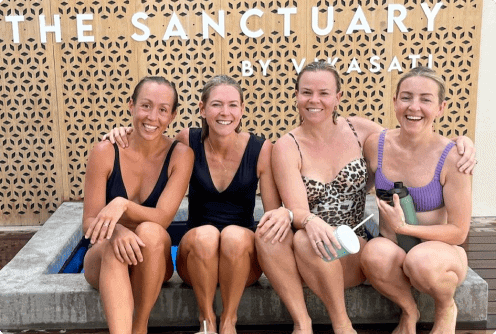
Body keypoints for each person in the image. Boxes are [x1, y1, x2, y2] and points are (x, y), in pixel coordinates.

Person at [255, 61, 476, 334]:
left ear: (338, 97)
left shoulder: (362, 133)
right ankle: (305, 324)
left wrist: (463, 141)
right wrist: (296, 216)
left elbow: (414, 136)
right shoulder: (290, 145)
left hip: (366, 244)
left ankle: (350, 324)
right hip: (318, 240)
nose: (314, 100)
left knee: (312, 241)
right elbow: (299, 209)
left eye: (324, 92)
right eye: (306, 92)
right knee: (291, 237)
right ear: (297, 96)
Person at [103, 75, 290, 334]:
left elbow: (270, 218)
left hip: (242, 263)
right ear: (202, 109)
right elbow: (153, 144)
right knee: (206, 235)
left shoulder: (261, 149)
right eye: (216, 104)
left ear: (242, 110)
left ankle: (228, 321)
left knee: (235, 236)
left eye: (233, 105)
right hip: (195, 257)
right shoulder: (186, 141)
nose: (225, 112)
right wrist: (123, 131)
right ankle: (206, 321)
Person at [360, 66, 472, 334]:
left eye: (426, 99)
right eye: (407, 97)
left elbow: (459, 232)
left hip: (439, 253)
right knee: (373, 253)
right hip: (393, 248)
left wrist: (405, 229)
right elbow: (335, 125)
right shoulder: (376, 143)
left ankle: (446, 306)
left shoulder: (454, 158)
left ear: (441, 107)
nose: (414, 107)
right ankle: (409, 311)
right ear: (395, 101)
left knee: (420, 260)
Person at [82, 76, 194, 334]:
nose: (152, 117)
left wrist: (122, 205)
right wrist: (116, 232)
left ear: (172, 116)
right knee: (113, 248)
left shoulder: (180, 155)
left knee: (152, 231)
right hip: (103, 258)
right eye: (145, 106)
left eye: (163, 110)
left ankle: (140, 325)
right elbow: (89, 222)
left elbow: (163, 218)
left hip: (153, 258)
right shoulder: (105, 151)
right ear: (131, 106)